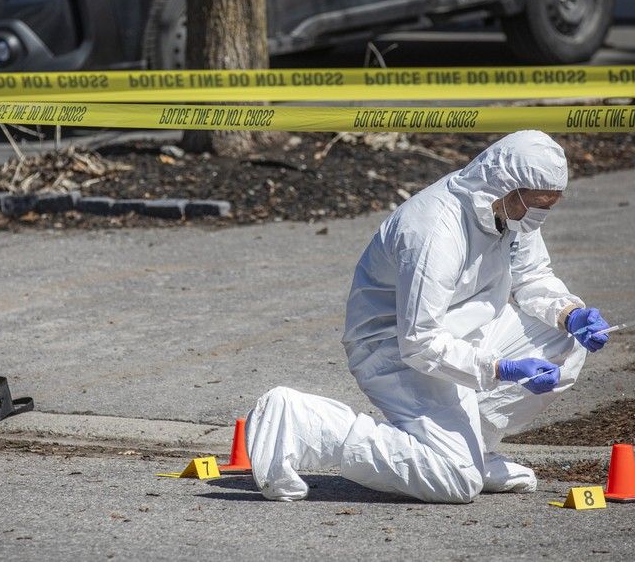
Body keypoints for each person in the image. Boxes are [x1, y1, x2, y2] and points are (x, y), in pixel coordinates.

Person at [246, 130, 611, 502]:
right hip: (394, 349)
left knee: (564, 338)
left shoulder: (508, 210)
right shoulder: (435, 230)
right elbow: (420, 342)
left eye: (548, 207)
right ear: (506, 186)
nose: (539, 217)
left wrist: (571, 314)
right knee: (455, 482)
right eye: (536, 206)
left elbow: (532, 275)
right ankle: (301, 421)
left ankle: (469, 449)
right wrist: (500, 369)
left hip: (465, 328)